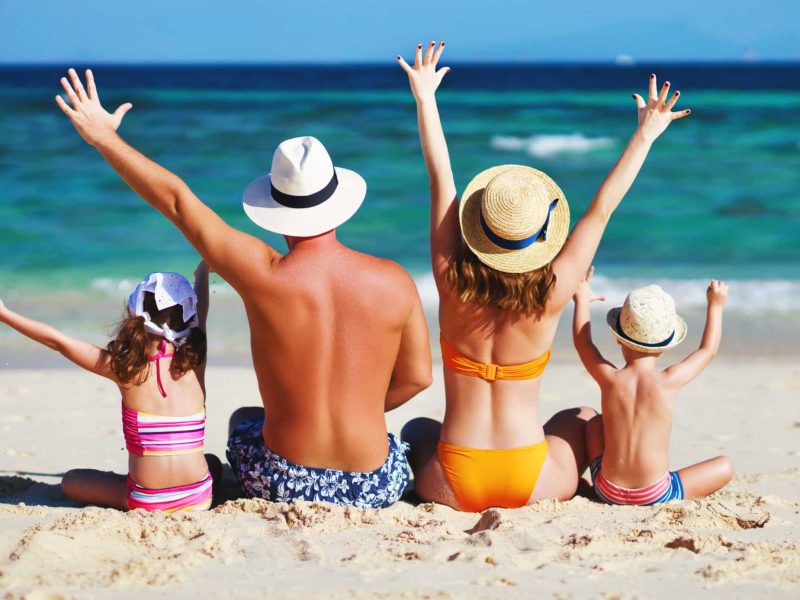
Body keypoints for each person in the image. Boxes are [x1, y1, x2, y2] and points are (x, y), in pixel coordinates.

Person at [54, 69, 432, 509]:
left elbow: (178, 202)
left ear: (275, 207)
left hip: (282, 485)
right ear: (338, 202)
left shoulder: (262, 273)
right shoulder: (394, 280)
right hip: (372, 487)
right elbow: (418, 378)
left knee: (245, 420)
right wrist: (358, 414)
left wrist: (105, 139)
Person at [396, 42, 692, 511]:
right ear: (541, 237)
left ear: (479, 229)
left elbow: (441, 180)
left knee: (417, 429)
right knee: (580, 417)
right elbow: (601, 210)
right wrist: (646, 135)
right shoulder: (553, 292)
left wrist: (426, 98)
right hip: (532, 480)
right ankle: (618, 487)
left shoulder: (450, 278)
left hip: (452, 483)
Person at [0, 264, 217, 511]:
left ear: (134, 312)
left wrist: (4, 313)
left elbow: (59, 342)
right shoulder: (195, 359)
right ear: (188, 317)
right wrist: (202, 270)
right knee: (210, 463)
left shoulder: (124, 368)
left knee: (72, 480)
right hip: (199, 497)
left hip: (147, 502)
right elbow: (203, 310)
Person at [574, 268, 734, 504]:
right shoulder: (669, 380)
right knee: (725, 466)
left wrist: (582, 300)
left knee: (593, 422)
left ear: (618, 336)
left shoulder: (609, 378)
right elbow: (707, 351)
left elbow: (583, 342)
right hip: (655, 493)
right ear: (668, 344)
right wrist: (716, 306)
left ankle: (591, 486)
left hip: (607, 489)